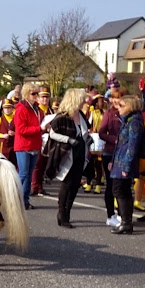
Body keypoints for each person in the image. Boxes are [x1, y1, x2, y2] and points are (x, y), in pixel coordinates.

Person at [46, 88, 91, 228]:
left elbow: (85, 132)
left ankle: (67, 213)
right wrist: (68, 140)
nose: (85, 101)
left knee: (75, 184)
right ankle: (62, 214)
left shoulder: (81, 115)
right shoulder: (63, 116)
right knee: (67, 184)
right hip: (68, 153)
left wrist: (88, 140)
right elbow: (52, 134)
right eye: (82, 99)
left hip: (80, 152)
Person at [109, 95, 145, 235]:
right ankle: (126, 222)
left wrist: (126, 166)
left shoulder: (134, 122)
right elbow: (120, 144)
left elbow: (132, 146)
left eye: (122, 105)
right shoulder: (128, 120)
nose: (119, 108)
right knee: (121, 191)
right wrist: (113, 161)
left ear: (130, 106)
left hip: (125, 162)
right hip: (119, 161)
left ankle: (126, 222)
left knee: (120, 191)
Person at [13, 83, 43, 209]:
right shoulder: (21, 109)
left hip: (34, 145)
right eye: (33, 93)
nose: (36, 96)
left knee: (29, 175)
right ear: (26, 94)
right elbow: (21, 129)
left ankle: (24, 201)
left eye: (37, 93)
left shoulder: (37, 109)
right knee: (24, 174)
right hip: (23, 146)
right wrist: (39, 128)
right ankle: (13, 198)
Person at [99, 90, 123, 225]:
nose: (115, 101)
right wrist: (114, 139)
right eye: (113, 98)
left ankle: (121, 213)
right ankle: (110, 215)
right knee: (111, 184)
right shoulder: (109, 114)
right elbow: (101, 132)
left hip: (123, 153)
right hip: (110, 152)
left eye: (118, 98)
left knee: (122, 185)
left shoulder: (127, 113)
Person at [31, 85, 53, 196]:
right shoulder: (36, 110)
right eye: (42, 97)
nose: (44, 99)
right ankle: (34, 186)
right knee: (37, 164)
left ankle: (40, 186)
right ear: (38, 98)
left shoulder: (50, 110)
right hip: (37, 138)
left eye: (46, 97)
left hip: (47, 140)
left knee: (44, 164)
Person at [0, 99, 17, 165]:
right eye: (5, 108)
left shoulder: (15, 118)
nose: (7, 109)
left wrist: (14, 133)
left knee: (14, 163)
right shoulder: (0, 119)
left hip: (14, 144)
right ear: (3, 109)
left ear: (12, 108)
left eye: (9, 107)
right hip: (4, 145)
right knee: (4, 162)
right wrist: (2, 135)